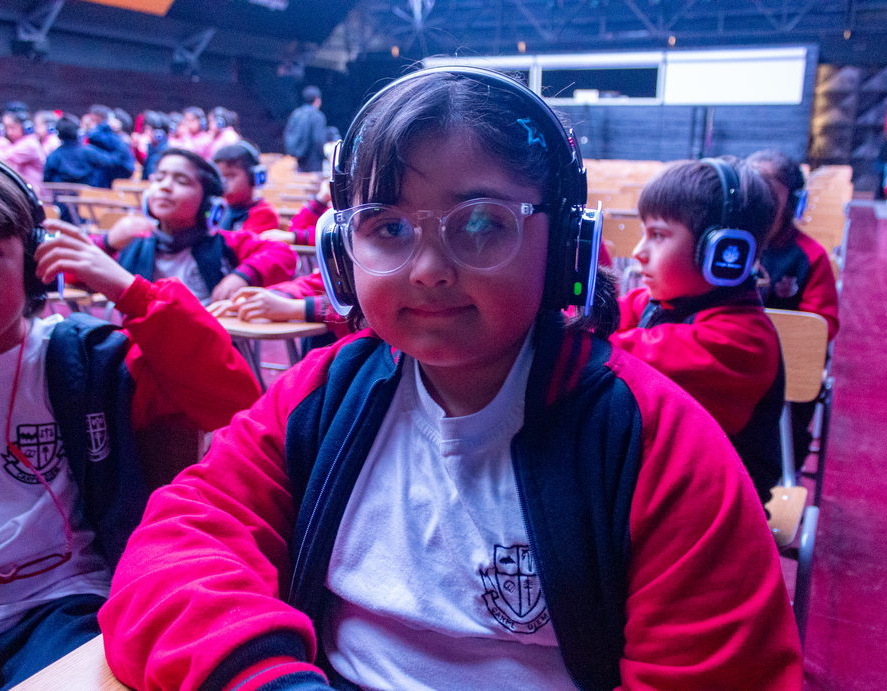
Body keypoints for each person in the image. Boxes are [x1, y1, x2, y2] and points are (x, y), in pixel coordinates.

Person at [99, 67, 801, 691]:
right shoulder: (318, 394)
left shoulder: (655, 442)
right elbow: (181, 548)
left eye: (483, 224)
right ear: (341, 253)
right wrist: (265, 676)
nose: (429, 269)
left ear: (567, 247)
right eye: (387, 228)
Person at [0, 147, 262, 691]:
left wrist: (131, 292)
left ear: (34, 257)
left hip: (61, 607)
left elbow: (231, 401)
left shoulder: (88, 359)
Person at [610, 157, 784, 504]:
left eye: (658, 235)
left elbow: (619, 354)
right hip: (662, 487)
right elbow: (600, 320)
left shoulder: (743, 340)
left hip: (718, 508)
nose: (638, 252)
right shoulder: (658, 303)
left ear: (720, 252)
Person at [98, 148, 297, 304]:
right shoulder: (133, 242)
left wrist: (243, 276)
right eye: (159, 178)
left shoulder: (224, 243)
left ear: (208, 204)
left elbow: (283, 253)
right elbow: (81, 272)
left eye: (181, 181)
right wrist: (107, 243)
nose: (164, 186)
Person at [747, 149, 839, 466]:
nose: (759, 201)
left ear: (793, 203)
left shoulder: (810, 256)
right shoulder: (728, 246)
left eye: (769, 193)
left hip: (783, 381)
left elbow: (820, 328)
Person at [212, 141, 280, 234]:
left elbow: (240, 242)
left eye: (230, 176)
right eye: (220, 178)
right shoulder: (221, 209)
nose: (224, 183)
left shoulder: (264, 214)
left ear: (253, 177)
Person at [43, 114, 117, 188]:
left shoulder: (54, 156)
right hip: (89, 194)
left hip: (61, 194)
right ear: (77, 131)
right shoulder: (89, 152)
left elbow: (46, 179)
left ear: (58, 134)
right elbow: (111, 162)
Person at [84, 105, 135, 188]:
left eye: (93, 121)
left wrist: (105, 125)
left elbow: (92, 135)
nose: (91, 125)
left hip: (117, 178)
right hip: (109, 177)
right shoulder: (110, 136)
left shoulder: (117, 138)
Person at [284, 85, 327, 173]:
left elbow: (288, 134)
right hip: (313, 162)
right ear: (317, 99)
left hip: (297, 160)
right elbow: (318, 140)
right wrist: (324, 156)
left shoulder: (296, 114)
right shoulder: (318, 116)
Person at [1, 109, 46, 191]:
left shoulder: (29, 144)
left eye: (12, 127)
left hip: (37, 193)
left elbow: (2, 158)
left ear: (24, 127)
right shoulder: (20, 142)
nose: (9, 132)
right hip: (28, 191)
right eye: (6, 128)